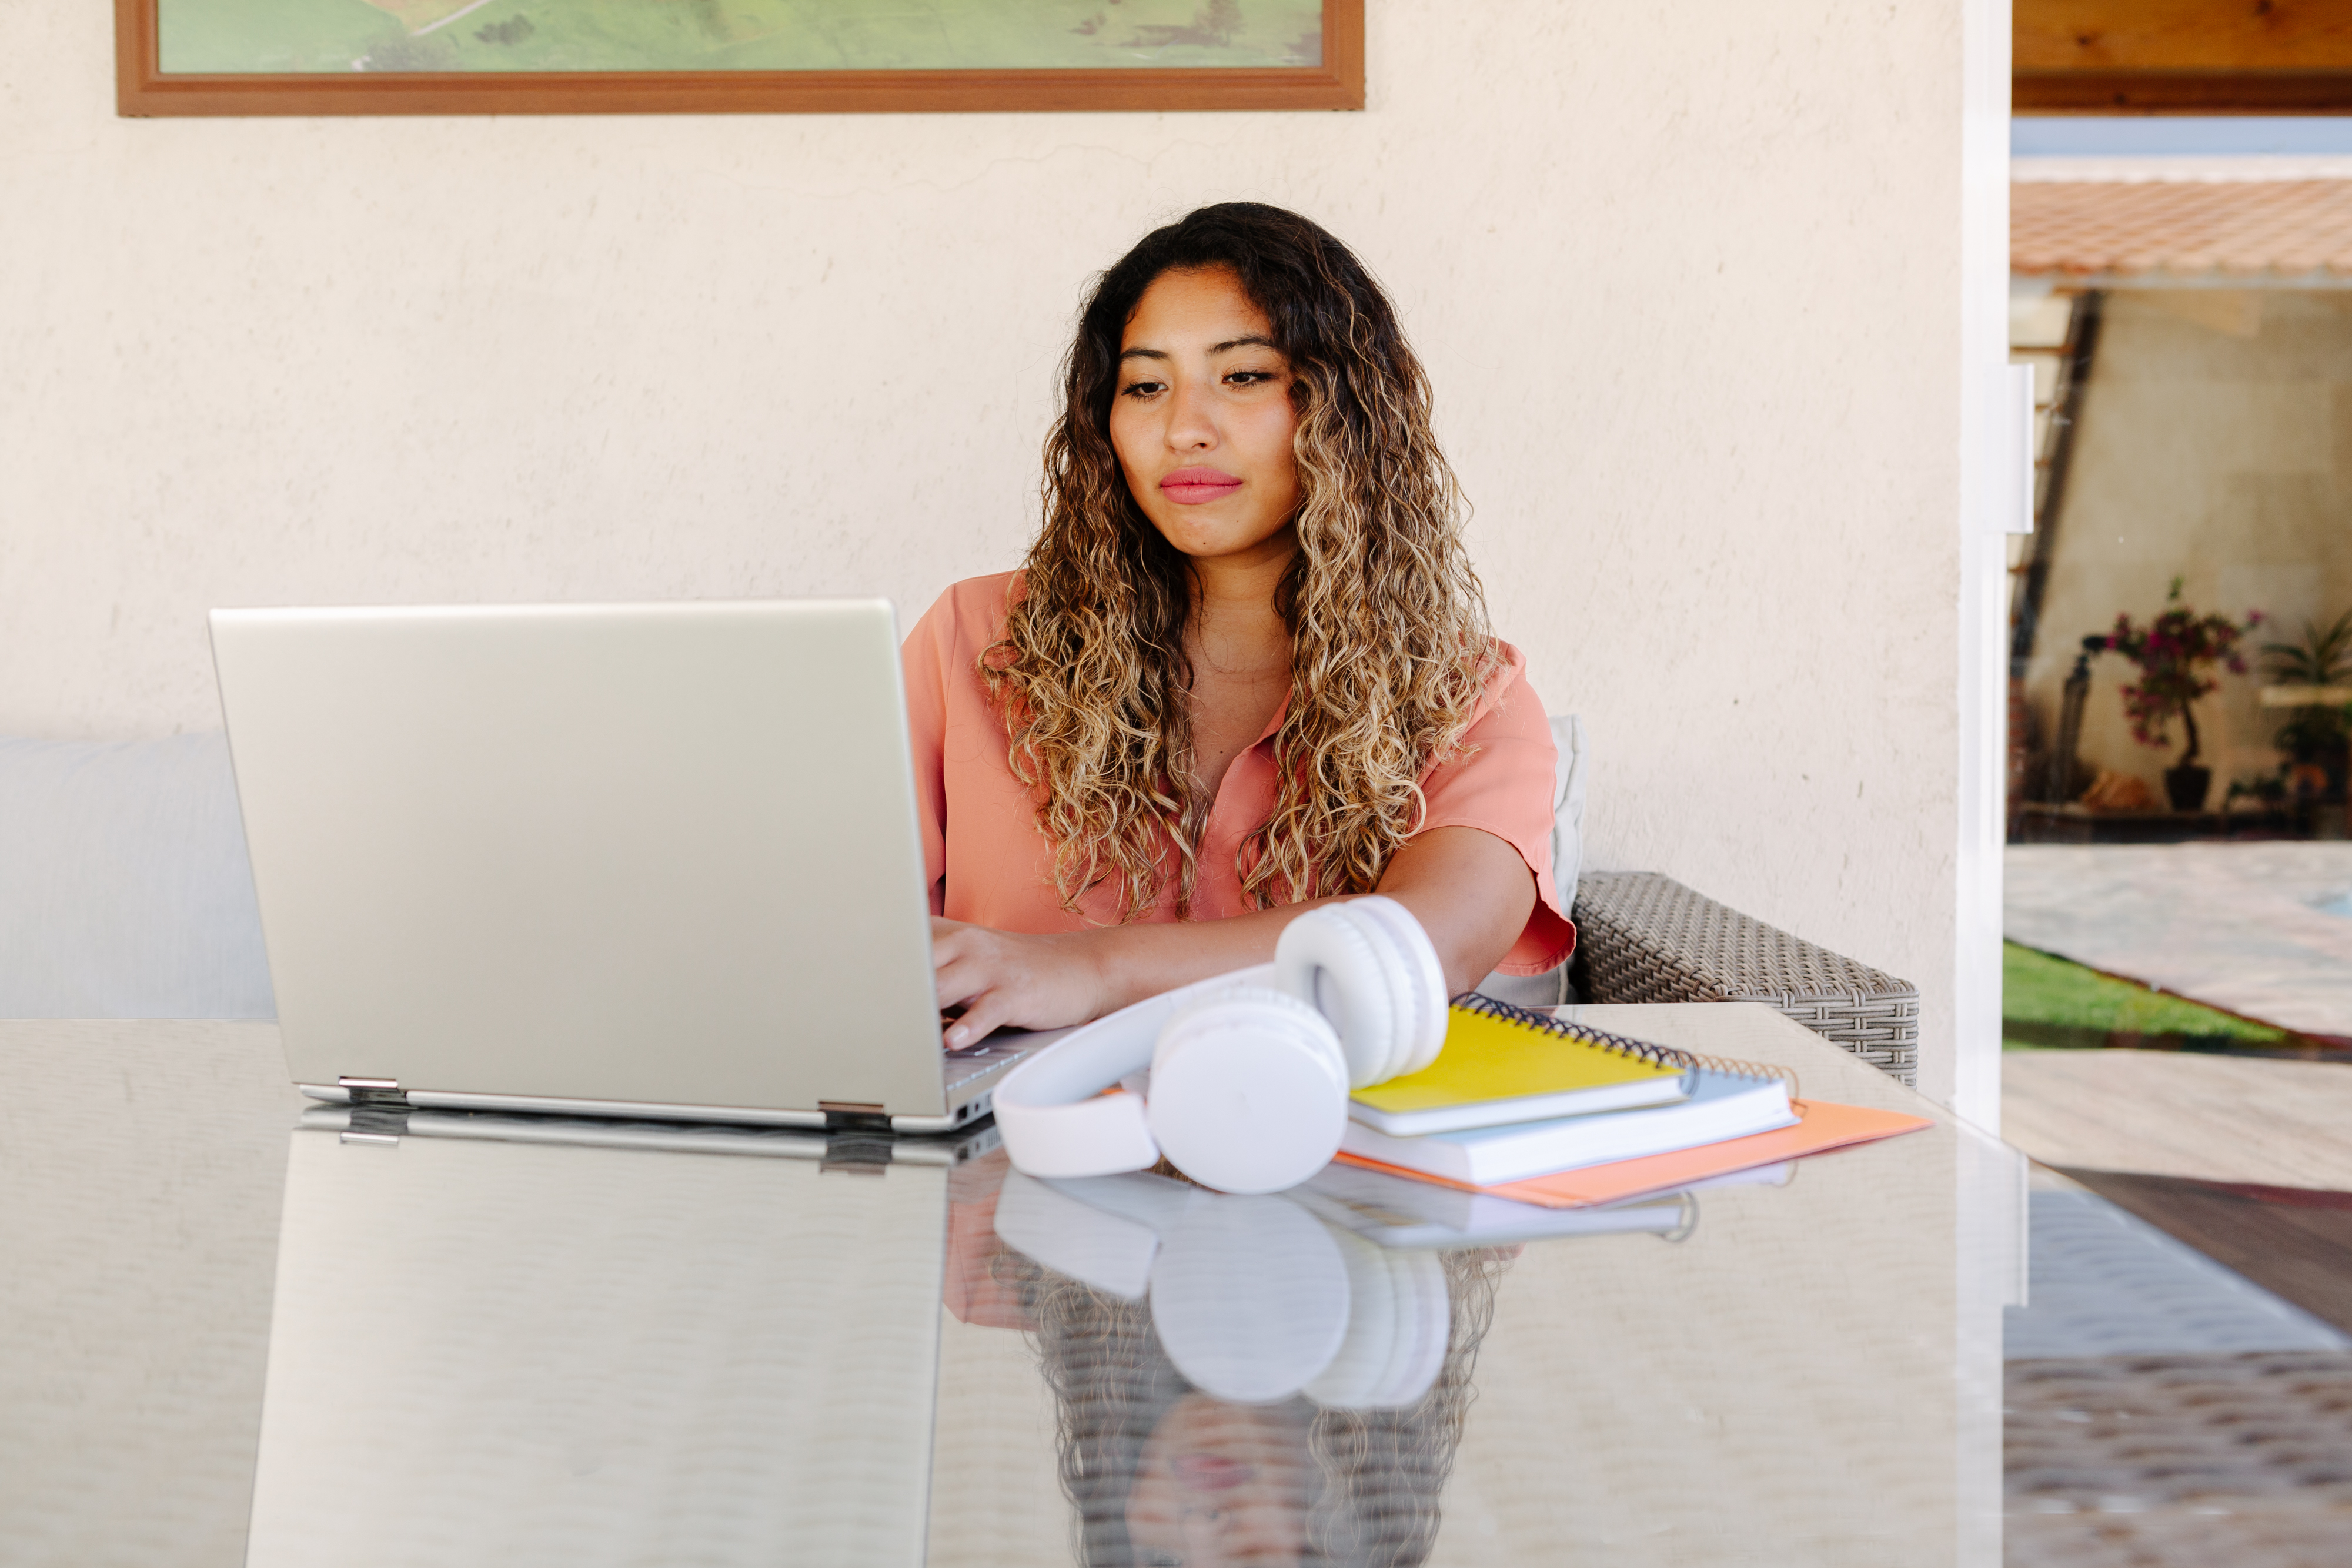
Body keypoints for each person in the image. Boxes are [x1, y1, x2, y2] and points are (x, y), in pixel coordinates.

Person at [907, 202, 1572, 1049]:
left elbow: (1428, 944)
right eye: (1145, 386)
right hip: (1001, 1141)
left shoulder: (1466, 696)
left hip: (1322, 1151)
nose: (1184, 428)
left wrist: (1086, 969)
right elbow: (834, 915)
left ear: (1347, 411)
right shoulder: (972, 638)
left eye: (1245, 376)